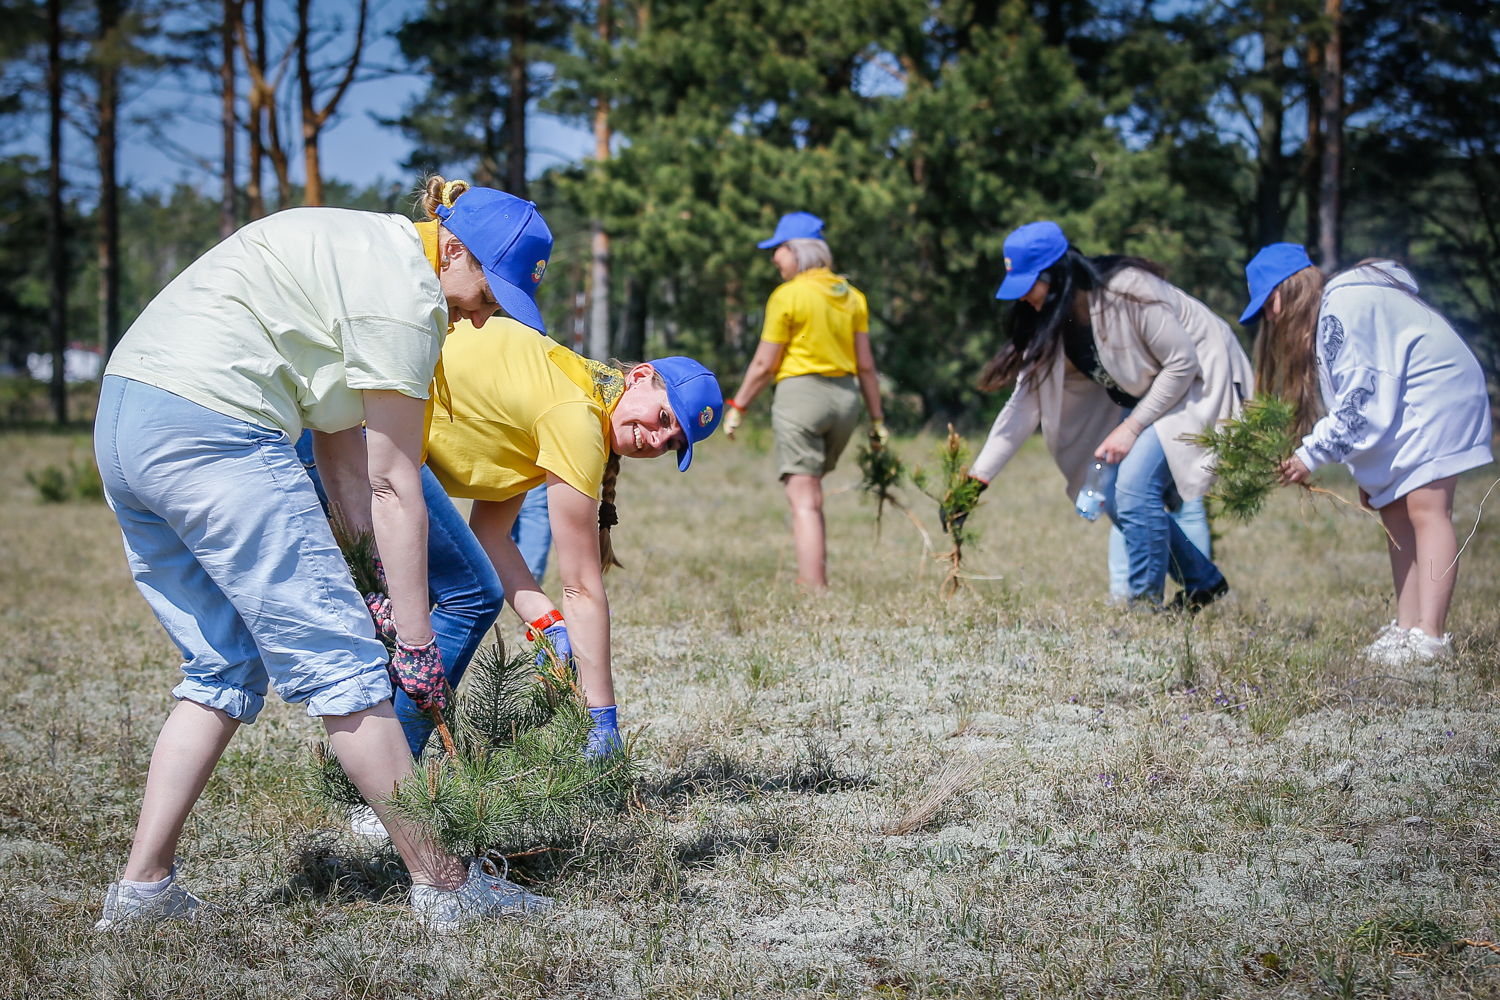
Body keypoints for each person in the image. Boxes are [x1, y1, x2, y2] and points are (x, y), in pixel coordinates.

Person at [92, 177, 556, 932]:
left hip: (128, 417)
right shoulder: (406, 298)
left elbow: (341, 454)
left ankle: (144, 892)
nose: (482, 313)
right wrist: (411, 639)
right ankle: (448, 890)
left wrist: (368, 578)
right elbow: (395, 482)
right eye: (487, 290)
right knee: (347, 668)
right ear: (456, 249)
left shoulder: (361, 250)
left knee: (221, 664)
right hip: (216, 426)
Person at [420, 318, 726, 759]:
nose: (656, 439)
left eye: (671, 443)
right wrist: (602, 717)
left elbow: (489, 534)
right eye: (663, 417)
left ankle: (385, 778)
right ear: (639, 376)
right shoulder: (577, 420)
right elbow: (580, 586)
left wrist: (546, 622)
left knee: (460, 592)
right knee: (469, 598)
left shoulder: (577, 390)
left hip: (370, 436)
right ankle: (389, 784)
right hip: (356, 427)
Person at [971, 221, 1253, 609]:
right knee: (1118, 500)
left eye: (1028, 285)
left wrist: (1132, 428)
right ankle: (1202, 581)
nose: (1022, 299)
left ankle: (1143, 607)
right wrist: (977, 480)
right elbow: (1024, 404)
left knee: (1135, 489)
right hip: (1161, 395)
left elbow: (1181, 364)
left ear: (1057, 274)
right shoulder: (1057, 321)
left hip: (1203, 382)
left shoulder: (1128, 291)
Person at [1245, 243, 1493, 664]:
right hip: (1408, 400)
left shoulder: (1342, 305)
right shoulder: (1334, 313)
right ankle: (1407, 627)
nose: (1270, 320)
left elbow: (1360, 397)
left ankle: (1429, 637)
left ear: (1278, 296)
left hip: (1435, 394)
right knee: (1395, 511)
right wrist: (1370, 477)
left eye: (1265, 309)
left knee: (1425, 510)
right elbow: (1365, 393)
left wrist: (1310, 456)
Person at [720, 211, 887, 590]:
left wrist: (739, 407)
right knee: (811, 492)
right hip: (846, 402)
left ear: (797, 250)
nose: (774, 258)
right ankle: (812, 574)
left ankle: (813, 587)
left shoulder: (788, 295)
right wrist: (877, 421)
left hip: (801, 399)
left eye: (778, 249)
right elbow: (866, 365)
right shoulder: (853, 297)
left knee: (805, 499)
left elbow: (765, 364)